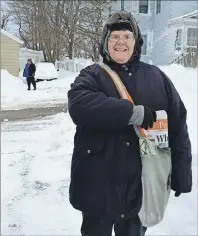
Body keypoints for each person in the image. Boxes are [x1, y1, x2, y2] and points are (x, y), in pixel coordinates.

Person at [68, 11, 192, 236]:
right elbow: (79, 105)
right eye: (115, 36)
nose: (121, 42)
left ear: (136, 42)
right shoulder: (92, 75)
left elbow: (178, 125)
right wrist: (132, 113)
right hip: (97, 188)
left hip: (139, 189)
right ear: (106, 42)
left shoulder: (157, 77)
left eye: (127, 36)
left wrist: (182, 173)